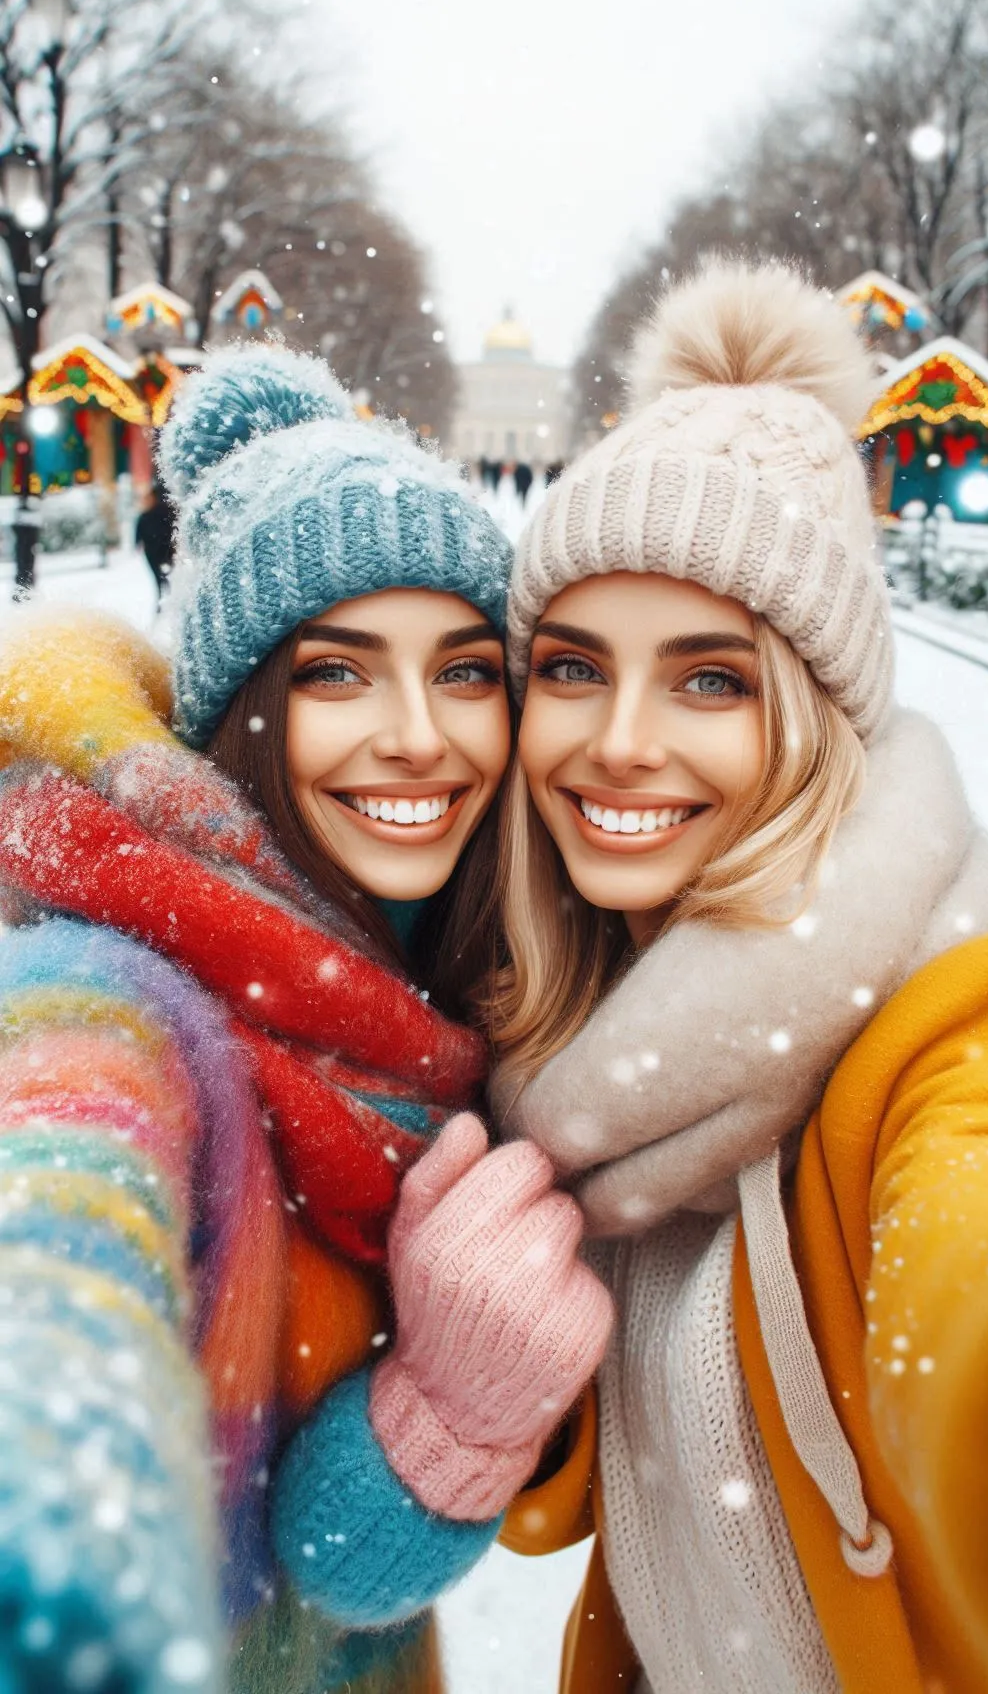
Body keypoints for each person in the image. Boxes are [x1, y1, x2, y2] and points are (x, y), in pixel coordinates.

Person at [0, 344, 611, 1694]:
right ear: (242, 715)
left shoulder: (451, 993)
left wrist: (440, 1424)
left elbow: (325, 1564)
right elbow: (57, 1228)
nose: (419, 737)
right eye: (338, 674)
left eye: (463, 671)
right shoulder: (118, 997)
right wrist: (56, 1520)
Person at [448, 260, 988, 1692]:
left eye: (711, 679)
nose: (618, 744)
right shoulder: (576, 1037)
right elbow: (561, 1502)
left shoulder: (942, 1042)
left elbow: (978, 1270)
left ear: (816, 718)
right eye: (574, 669)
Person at [135, 464, 176, 605]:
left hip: (162, 547)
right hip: (157, 548)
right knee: (162, 577)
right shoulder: (147, 514)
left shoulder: (155, 511)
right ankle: (164, 599)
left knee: (166, 576)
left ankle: (166, 599)